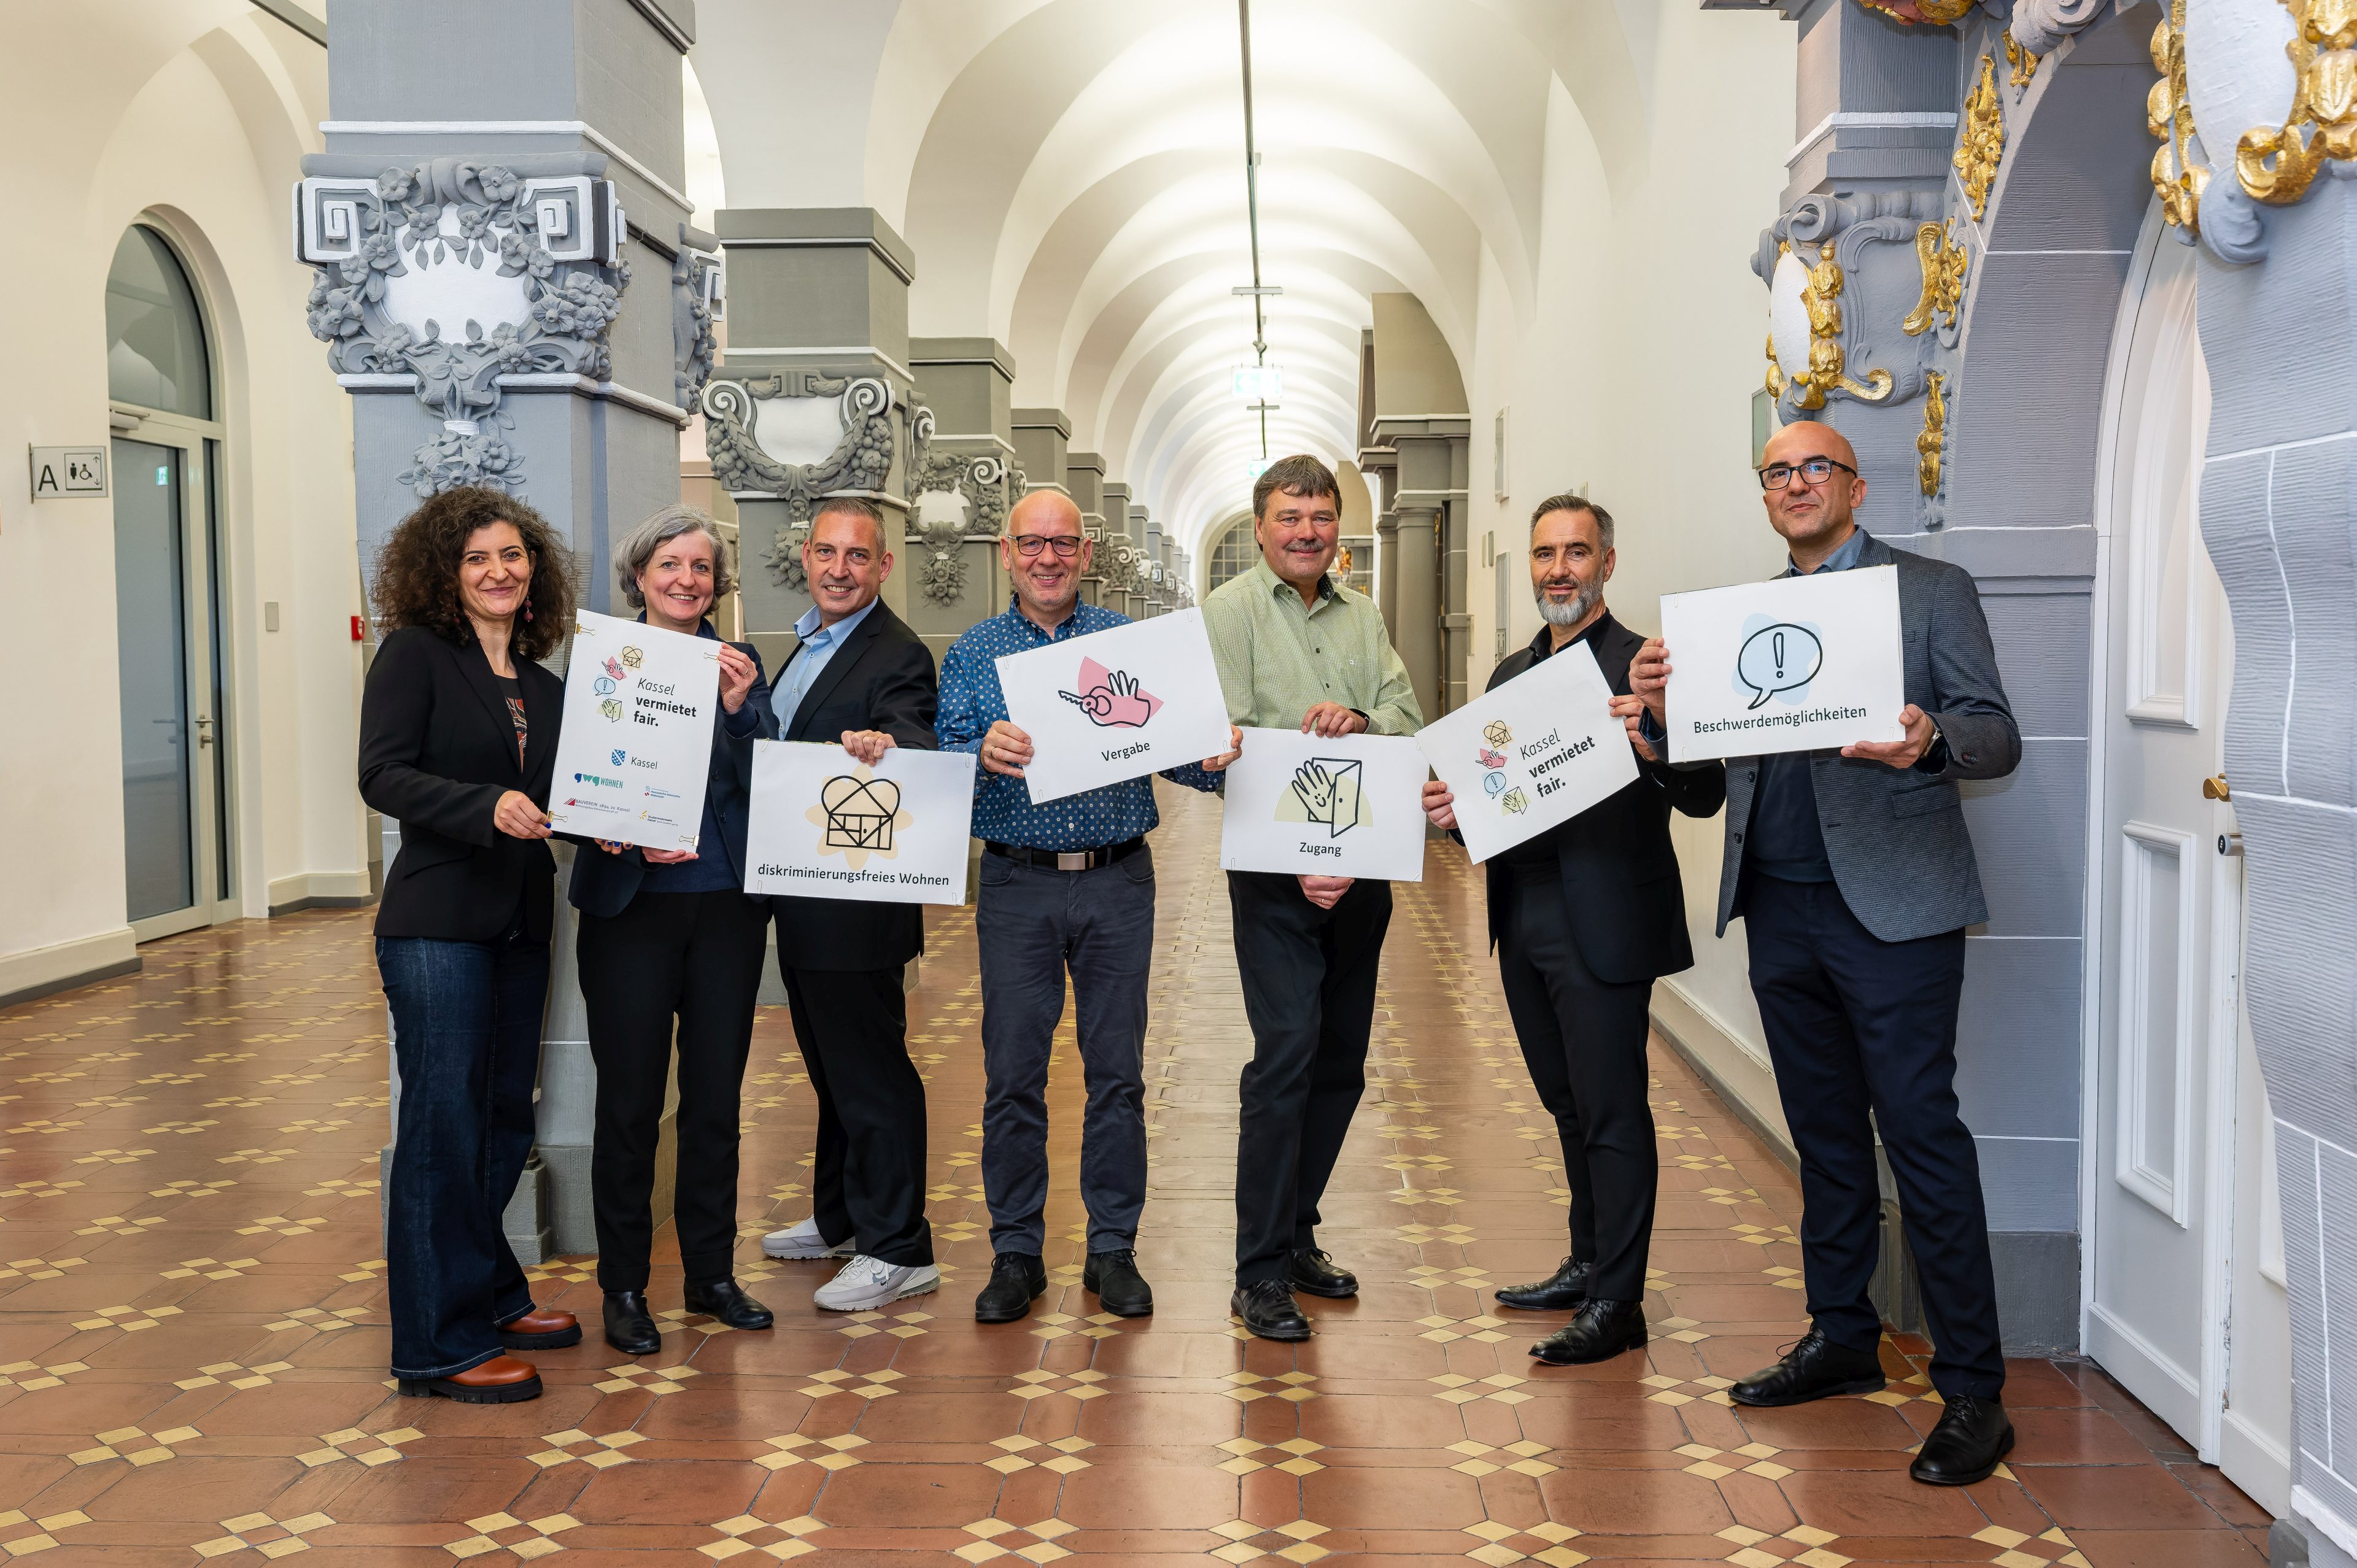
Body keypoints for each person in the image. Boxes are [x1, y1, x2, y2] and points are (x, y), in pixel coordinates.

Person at [1629, 420, 2022, 1486]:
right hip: (1782, 911)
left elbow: (1995, 733)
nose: (1797, 485)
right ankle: (1843, 1334)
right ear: (1766, 498)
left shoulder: (1930, 590)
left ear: (1854, 486)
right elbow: (1708, 788)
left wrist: (1929, 738)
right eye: (1778, 473)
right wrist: (1661, 724)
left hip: (1894, 912)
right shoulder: (1738, 619)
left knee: (1921, 1137)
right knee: (1826, 1139)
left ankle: (1976, 1395)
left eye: (1816, 469)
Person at [1422, 494, 1724, 1365]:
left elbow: (1704, 794)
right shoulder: (1510, 676)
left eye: (1577, 552)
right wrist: (1453, 816)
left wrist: (1657, 733)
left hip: (1606, 919)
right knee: (1564, 1102)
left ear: (1608, 563)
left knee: (1612, 1109)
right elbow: (1492, 803)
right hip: (1521, 912)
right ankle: (1588, 1260)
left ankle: (1619, 1303)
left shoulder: (1647, 665)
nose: (1560, 568)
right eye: (1545, 553)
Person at [935, 490, 1242, 1325]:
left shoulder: (1123, 645)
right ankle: (1016, 1253)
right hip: (1016, 887)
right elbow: (941, 765)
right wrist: (976, 753)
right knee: (1013, 1078)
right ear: (1007, 553)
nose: (1047, 558)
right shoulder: (974, 653)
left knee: (1117, 1075)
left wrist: (1215, 758)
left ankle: (1113, 1249)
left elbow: (1178, 755)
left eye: (1062, 544)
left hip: (1117, 883)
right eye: (1031, 544)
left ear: (1086, 552)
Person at [357, 485, 582, 1404]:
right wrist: (481, 805)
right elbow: (381, 774)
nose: (499, 571)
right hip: (437, 924)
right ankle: (436, 1347)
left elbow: (574, 790)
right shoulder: (414, 655)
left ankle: (488, 1293)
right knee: (441, 1127)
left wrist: (613, 820)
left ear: (535, 574)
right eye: (478, 558)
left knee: (500, 1119)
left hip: (523, 921)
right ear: (446, 575)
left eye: (513, 556)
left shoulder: (546, 684)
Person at [1202, 454, 1423, 1341]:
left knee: (1340, 1060)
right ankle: (1256, 1273)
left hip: (1361, 869)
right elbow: (1223, 739)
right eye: (1290, 518)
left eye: (1320, 517)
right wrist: (1300, 852)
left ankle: (1297, 1235)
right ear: (1260, 528)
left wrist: (1362, 719)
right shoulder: (1229, 613)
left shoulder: (1364, 616)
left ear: (1337, 527)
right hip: (1273, 877)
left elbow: (1407, 720)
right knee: (1286, 1055)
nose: (1306, 532)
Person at [570, 506, 778, 1354]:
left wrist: (738, 709)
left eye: (701, 567)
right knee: (627, 1104)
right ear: (641, 575)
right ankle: (623, 1287)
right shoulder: (602, 660)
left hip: (725, 905)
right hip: (631, 910)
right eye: (671, 564)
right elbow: (572, 775)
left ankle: (710, 1276)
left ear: (717, 582)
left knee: (716, 1101)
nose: (687, 579)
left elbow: (768, 772)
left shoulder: (742, 664)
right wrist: (597, 823)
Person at [755, 496, 944, 1311]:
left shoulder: (894, 651)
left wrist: (886, 745)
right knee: (833, 1071)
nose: (840, 569)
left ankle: (900, 1246)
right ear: (806, 556)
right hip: (802, 898)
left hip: (855, 902)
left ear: (884, 566)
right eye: (827, 553)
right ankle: (840, 1217)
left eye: (858, 557)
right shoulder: (800, 645)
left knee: (872, 1075)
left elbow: (913, 730)